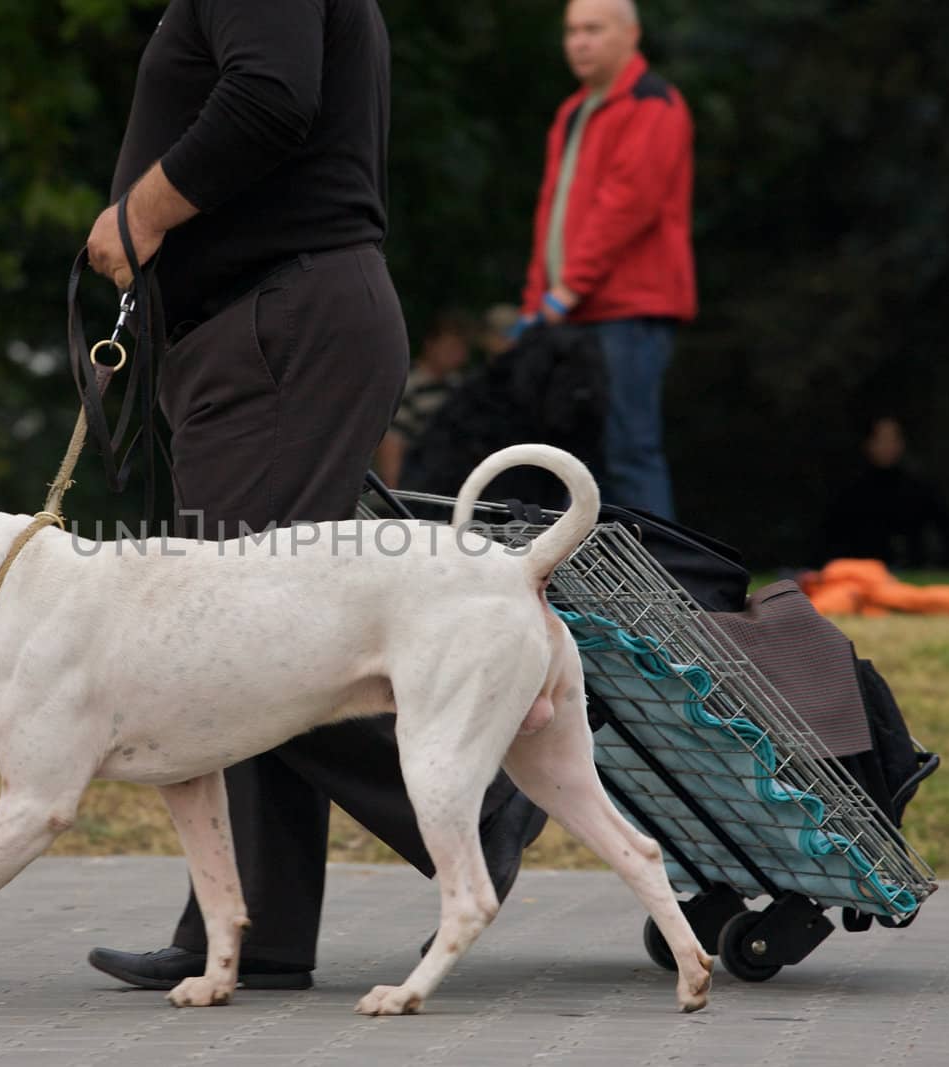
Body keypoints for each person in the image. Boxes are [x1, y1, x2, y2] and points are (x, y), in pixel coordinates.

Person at [83, 0, 547, 993]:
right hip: (269, 328)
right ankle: (251, 925)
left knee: (241, 635)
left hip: (279, 329)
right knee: (247, 631)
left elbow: (267, 97)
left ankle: (487, 806)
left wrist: (141, 214)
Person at [519, 0, 696, 519]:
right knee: (574, 457)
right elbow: (552, 215)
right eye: (572, 30)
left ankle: (662, 586)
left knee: (629, 448)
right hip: (568, 311)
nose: (579, 41)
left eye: (593, 29)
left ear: (630, 34)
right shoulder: (575, 111)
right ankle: (596, 587)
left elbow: (629, 204)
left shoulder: (653, 104)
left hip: (627, 311)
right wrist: (538, 300)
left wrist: (567, 288)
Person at [822, 415, 949, 569]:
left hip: (911, 569)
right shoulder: (850, 489)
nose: (888, 446)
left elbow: (945, 529)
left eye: (893, 439)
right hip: (861, 571)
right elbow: (832, 536)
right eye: (881, 439)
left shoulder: (918, 487)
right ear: (869, 443)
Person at [374, 308, 475, 489]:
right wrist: (397, 499)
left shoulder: (459, 386)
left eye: (461, 348)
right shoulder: (409, 385)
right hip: (412, 487)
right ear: (431, 344)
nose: (458, 355)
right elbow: (392, 445)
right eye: (451, 347)